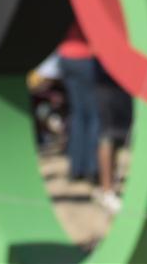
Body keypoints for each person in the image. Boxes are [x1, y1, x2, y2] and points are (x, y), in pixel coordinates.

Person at [56, 24, 99, 184]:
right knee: (94, 115)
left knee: (78, 114)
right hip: (86, 57)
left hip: (65, 57)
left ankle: (76, 168)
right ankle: (92, 168)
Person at [91, 60, 132, 215]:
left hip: (125, 80)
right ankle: (107, 191)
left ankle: (108, 188)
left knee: (116, 136)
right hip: (107, 81)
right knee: (107, 135)